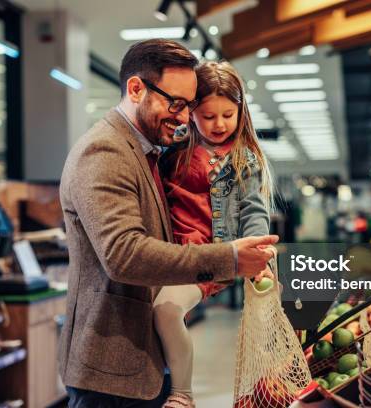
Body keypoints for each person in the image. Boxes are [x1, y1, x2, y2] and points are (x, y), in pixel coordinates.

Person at [58, 39, 278, 407]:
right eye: (176, 103)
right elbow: (123, 255)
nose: (181, 116)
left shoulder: (150, 151)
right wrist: (229, 259)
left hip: (140, 364)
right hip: (111, 371)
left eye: (188, 106)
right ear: (135, 88)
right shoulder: (105, 151)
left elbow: (249, 210)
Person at [155, 61, 276, 408]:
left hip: (212, 258)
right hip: (170, 253)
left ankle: (182, 394)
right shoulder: (172, 147)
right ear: (191, 112)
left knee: (165, 311)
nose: (219, 124)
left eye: (227, 115)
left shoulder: (244, 160)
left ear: (241, 111)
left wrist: (259, 257)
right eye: (208, 116)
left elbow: (254, 210)